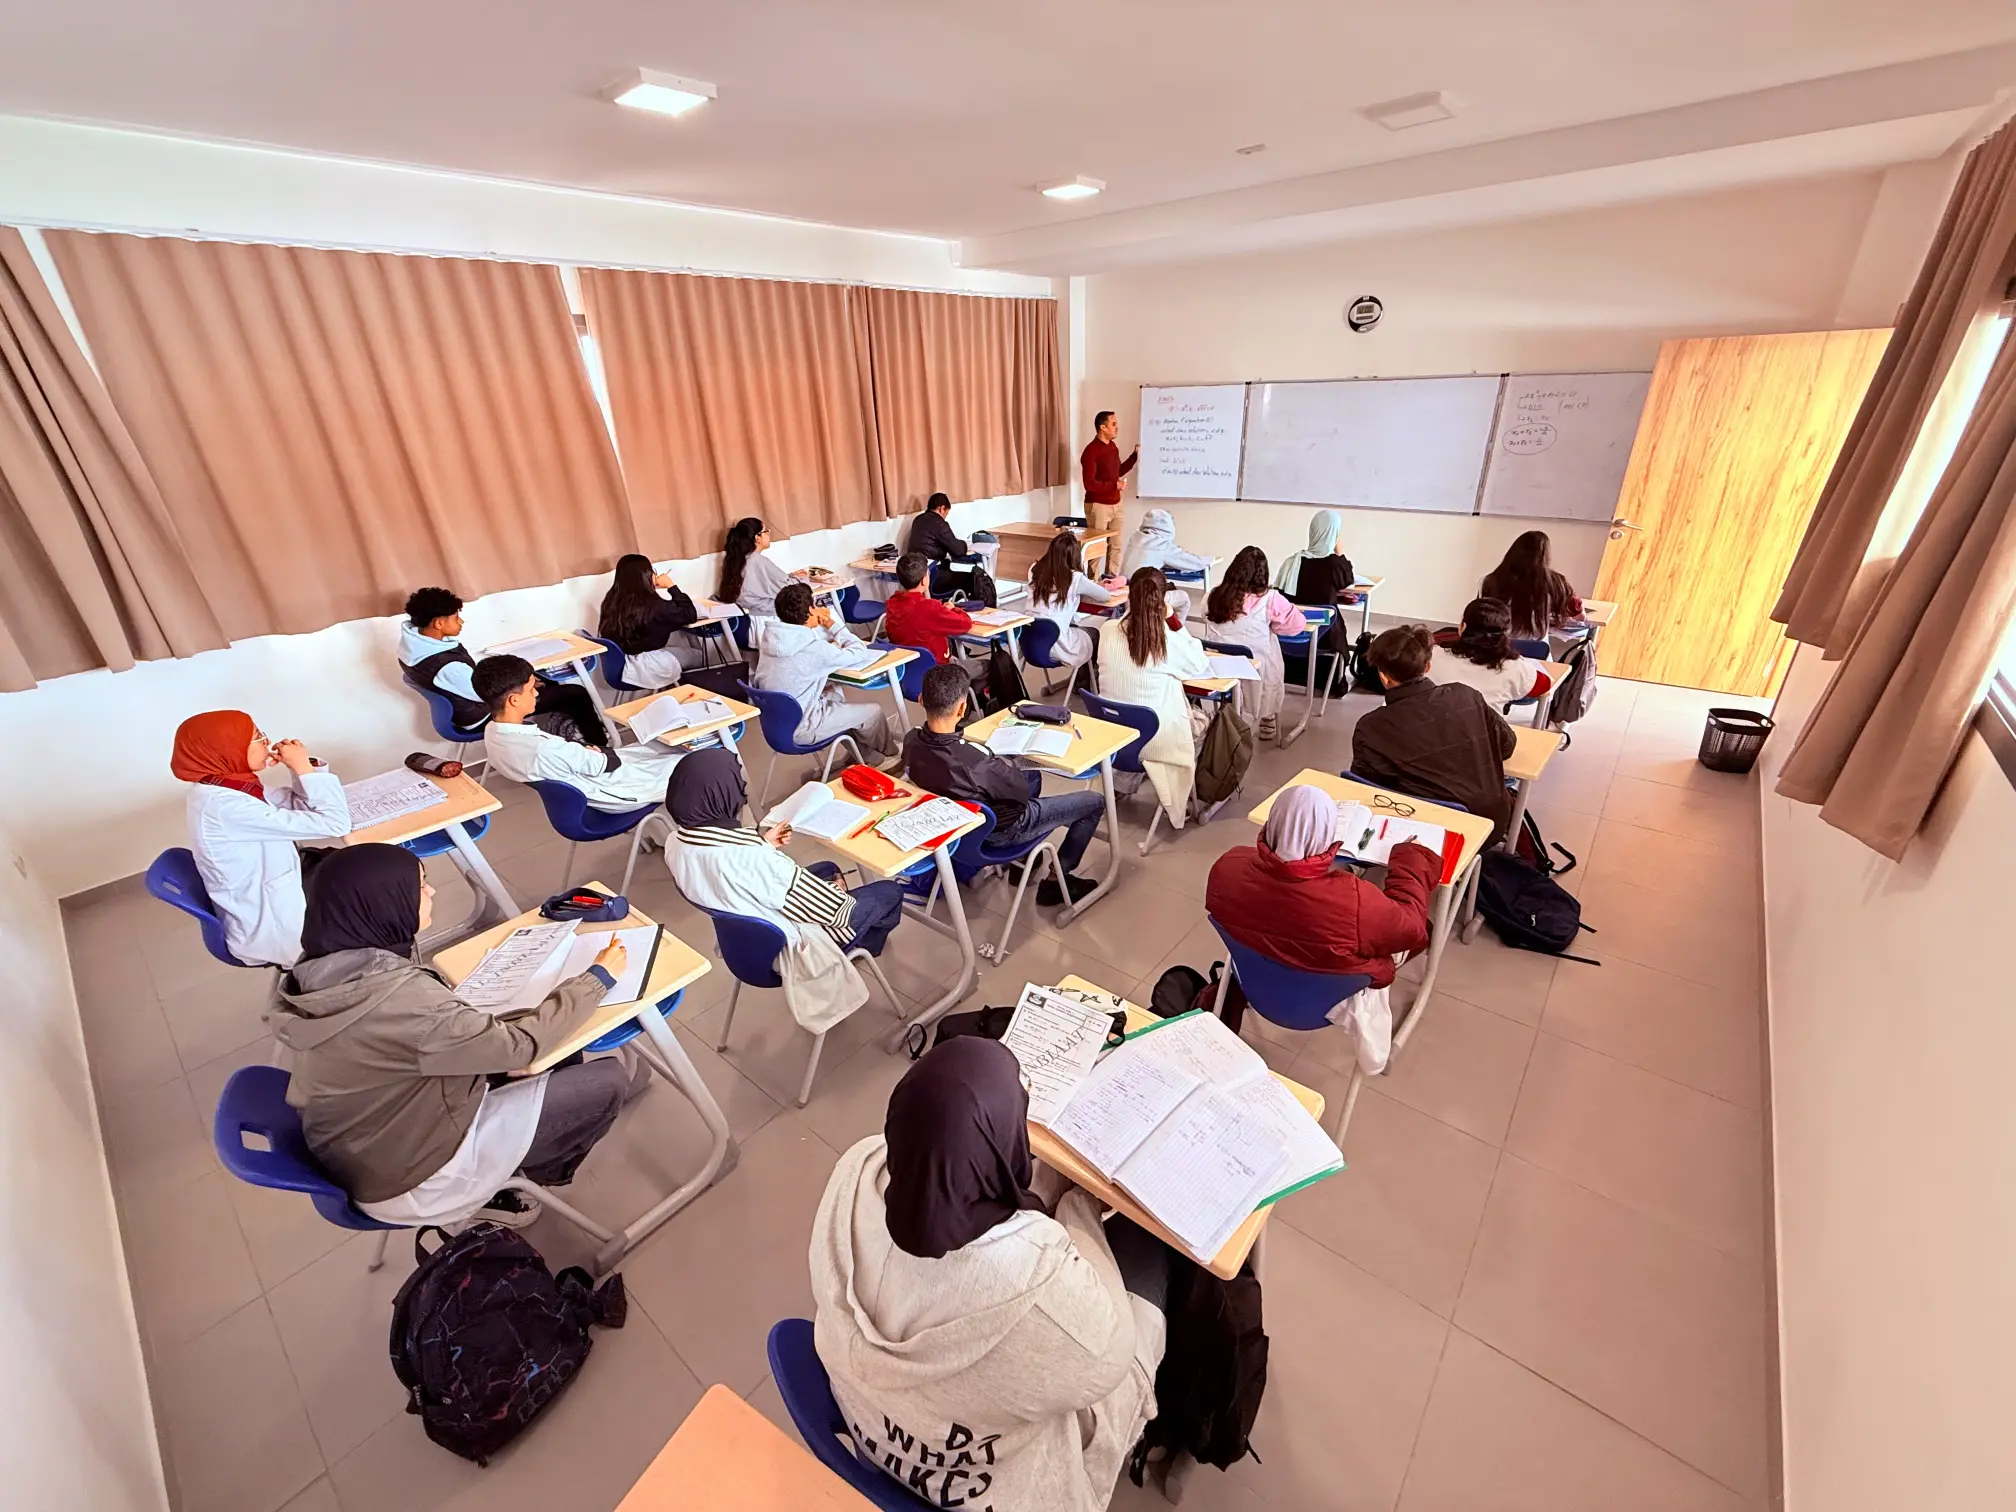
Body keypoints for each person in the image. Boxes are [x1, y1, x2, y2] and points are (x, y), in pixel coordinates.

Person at [810, 1036, 1170, 1512]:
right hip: (989, 1488)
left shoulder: (855, 1167)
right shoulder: (1038, 1281)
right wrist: (1075, 1203)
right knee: (1154, 1255)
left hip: (873, 1428)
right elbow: (1112, 1353)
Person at [268, 844, 632, 1227]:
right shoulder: (401, 999)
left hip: (368, 1144)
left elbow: (419, 1040)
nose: (432, 892)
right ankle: (527, 1179)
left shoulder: (319, 967)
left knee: (548, 1046)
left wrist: (501, 1059)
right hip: (412, 1180)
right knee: (605, 1080)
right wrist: (598, 978)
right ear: (385, 901)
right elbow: (520, 1047)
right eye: (421, 886)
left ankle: (521, 1150)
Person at [663, 749, 905, 954]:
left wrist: (764, 843)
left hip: (743, 942)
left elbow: (726, 869)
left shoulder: (674, 843)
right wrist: (836, 891)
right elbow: (839, 911)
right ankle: (859, 947)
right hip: (789, 945)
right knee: (890, 890)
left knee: (828, 869)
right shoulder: (755, 859)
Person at [903, 664, 1106, 905]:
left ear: (920, 699)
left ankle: (1026, 861)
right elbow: (1018, 794)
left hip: (959, 829)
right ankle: (1056, 880)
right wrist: (1002, 764)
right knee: (1094, 802)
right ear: (962, 708)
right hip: (997, 834)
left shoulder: (911, 740)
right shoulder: (976, 763)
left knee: (1033, 777)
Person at [1206, 783, 1439, 983]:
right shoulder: (1354, 901)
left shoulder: (1228, 866)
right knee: (1424, 927)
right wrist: (1412, 858)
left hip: (1259, 979)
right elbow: (1412, 930)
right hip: (1333, 997)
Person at [172, 710, 352, 968]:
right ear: (227, 748)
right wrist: (303, 768)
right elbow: (335, 823)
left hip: (280, 889)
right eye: (256, 736)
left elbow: (296, 805)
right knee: (369, 888)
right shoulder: (224, 806)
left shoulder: (226, 784)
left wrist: (301, 767)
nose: (266, 742)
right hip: (274, 929)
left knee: (357, 869)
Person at [1352, 625, 1517, 843]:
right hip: (1490, 825)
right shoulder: (1465, 695)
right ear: (1428, 666)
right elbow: (1507, 746)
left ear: (1383, 677)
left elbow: (1369, 791)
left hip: (1424, 834)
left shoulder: (1371, 726)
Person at [475, 654, 684, 811]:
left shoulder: (492, 734)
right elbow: (603, 764)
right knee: (692, 761)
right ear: (514, 700)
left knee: (660, 747)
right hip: (612, 790)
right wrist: (593, 753)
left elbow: (589, 759)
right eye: (531, 689)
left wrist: (589, 752)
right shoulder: (543, 749)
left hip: (587, 775)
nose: (537, 692)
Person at [396, 585, 605, 738]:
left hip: (468, 703)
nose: (461, 622)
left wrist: (527, 683)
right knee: (575, 694)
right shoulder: (447, 668)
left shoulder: (414, 643)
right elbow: (486, 693)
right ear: (439, 623)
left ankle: (571, 736)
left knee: (547, 683)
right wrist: (523, 684)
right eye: (456, 617)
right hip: (479, 714)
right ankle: (600, 746)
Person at [1096, 567, 1212, 828]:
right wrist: (1172, 620)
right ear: (1162, 601)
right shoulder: (1166, 640)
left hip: (1114, 740)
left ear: (1129, 595)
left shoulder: (1107, 630)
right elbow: (1199, 664)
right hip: (1155, 743)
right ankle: (1192, 794)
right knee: (1207, 718)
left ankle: (1124, 782)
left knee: (1136, 704)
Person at [751, 582, 895, 759]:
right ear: (811, 611)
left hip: (777, 727)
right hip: (804, 727)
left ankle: (864, 755)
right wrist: (831, 624)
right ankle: (890, 758)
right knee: (874, 712)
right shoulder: (813, 648)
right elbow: (859, 651)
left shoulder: (769, 640)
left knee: (836, 694)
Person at [1202, 545, 1307, 740]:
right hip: (1255, 672)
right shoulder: (1270, 599)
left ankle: (1226, 715)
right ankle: (1267, 717)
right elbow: (1297, 625)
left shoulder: (1212, 596)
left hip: (1218, 668)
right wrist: (1273, 627)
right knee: (1271, 644)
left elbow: (1207, 617)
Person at [596, 553, 705, 689]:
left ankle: (671, 691)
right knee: (701, 656)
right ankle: (682, 694)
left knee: (676, 652)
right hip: (645, 664)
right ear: (645, 576)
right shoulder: (654, 606)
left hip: (619, 666)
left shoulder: (611, 600)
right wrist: (671, 586)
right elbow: (689, 614)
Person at [883, 552, 989, 691]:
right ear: (924, 580)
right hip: (940, 673)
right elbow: (965, 624)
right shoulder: (930, 608)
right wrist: (953, 609)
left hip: (908, 675)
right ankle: (966, 700)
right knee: (990, 666)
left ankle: (964, 699)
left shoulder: (892, 604)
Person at [1027, 530, 1117, 680]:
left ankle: (1079, 680)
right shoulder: (1074, 578)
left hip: (1032, 644)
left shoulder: (1034, 570)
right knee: (1094, 633)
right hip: (1056, 643)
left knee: (1076, 627)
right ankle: (1083, 681)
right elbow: (1105, 596)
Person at [1429, 597, 1553, 706]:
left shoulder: (1430, 656)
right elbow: (1544, 685)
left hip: (1431, 727)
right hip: (1482, 731)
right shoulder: (1514, 668)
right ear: (1505, 633)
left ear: (1463, 627)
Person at [1275, 510, 1359, 657]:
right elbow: (1347, 580)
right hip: (1325, 637)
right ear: (1333, 535)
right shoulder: (1334, 565)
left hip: (1288, 640)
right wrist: (1340, 553)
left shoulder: (1292, 562)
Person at [1481, 529, 1583, 641]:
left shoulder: (1492, 580)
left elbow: (1484, 615)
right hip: (1536, 647)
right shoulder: (1557, 582)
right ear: (1545, 555)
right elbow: (1580, 617)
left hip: (1499, 644)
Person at [904, 491, 985, 597]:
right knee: (973, 579)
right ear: (941, 508)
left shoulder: (918, 520)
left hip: (914, 576)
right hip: (933, 577)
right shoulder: (940, 524)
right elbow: (958, 550)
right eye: (946, 513)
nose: (945, 517)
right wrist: (964, 544)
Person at [717, 516, 800, 619]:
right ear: (757, 538)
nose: (769, 535)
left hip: (750, 616)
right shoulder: (758, 561)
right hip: (767, 616)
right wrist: (800, 579)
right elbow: (789, 590)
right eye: (766, 531)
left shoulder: (737, 560)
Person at [1118, 507, 1210, 593]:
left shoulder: (1135, 537)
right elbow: (1191, 562)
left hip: (1123, 585)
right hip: (1144, 592)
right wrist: (1210, 560)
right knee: (1182, 597)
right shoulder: (1161, 545)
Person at [1079, 408, 1137, 536]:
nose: (1117, 428)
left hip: (1116, 504)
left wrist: (1134, 457)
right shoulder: (1091, 451)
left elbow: (1118, 472)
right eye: (1114, 424)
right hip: (1098, 506)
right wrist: (1115, 485)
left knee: (1116, 547)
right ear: (1103, 427)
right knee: (1096, 548)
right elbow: (1089, 484)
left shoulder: (1112, 447)